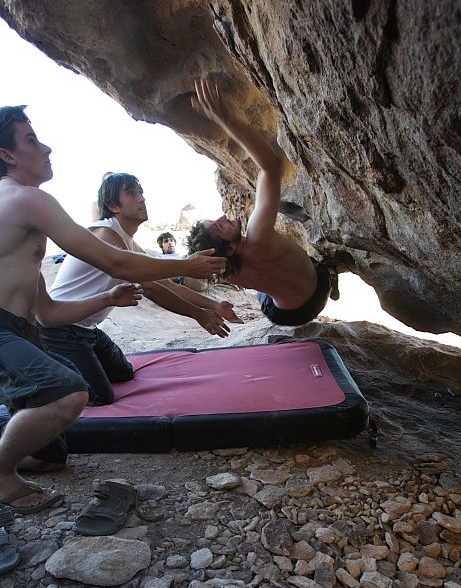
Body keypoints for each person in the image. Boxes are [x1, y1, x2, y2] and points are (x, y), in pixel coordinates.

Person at [0, 105, 226, 515]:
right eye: (31, 140)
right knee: (70, 392)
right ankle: (1, 475)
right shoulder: (26, 199)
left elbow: (48, 314)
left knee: (52, 458)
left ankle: (12, 429)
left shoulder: (21, 226)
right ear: (7, 155)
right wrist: (187, 265)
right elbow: (119, 265)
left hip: (23, 330)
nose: (46, 148)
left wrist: (107, 299)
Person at [42, 172, 243, 405]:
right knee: (100, 396)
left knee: (123, 373)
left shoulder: (127, 241)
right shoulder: (105, 235)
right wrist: (191, 287)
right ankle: (49, 365)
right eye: (131, 193)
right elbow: (150, 287)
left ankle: (73, 363)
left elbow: (163, 283)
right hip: (59, 329)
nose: (141, 198)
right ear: (113, 206)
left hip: (87, 330)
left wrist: (214, 305)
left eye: (141, 192)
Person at [187, 79, 332, 327]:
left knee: (263, 292)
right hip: (319, 289)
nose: (223, 217)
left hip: (288, 316)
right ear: (230, 248)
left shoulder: (226, 270)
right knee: (315, 264)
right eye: (219, 226)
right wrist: (226, 118)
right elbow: (270, 167)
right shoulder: (258, 234)